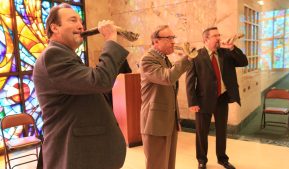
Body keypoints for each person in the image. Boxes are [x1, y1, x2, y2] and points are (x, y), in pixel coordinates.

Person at [33, 3, 128, 169]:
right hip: (75, 153)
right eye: (72, 20)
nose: (80, 25)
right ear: (55, 28)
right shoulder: (53, 55)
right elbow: (100, 81)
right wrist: (111, 40)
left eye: (80, 21)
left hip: (85, 151)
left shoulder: (66, 55)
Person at [185, 27, 248, 169]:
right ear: (206, 39)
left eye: (219, 34)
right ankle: (202, 160)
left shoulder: (225, 52)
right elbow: (189, 80)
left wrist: (232, 48)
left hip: (222, 98)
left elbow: (244, 62)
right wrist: (192, 102)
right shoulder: (196, 56)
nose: (219, 38)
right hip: (202, 100)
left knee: (221, 131)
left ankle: (222, 159)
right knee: (202, 132)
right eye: (215, 36)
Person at [139, 25, 192, 169]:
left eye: (173, 38)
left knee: (168, 164)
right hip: (155, 122)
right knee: (157, 164)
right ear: (156, 41)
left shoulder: (164, 59)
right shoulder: (148, 59)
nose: (173, 42)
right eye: (169, 38)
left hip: (167, 120)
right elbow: (167, 77)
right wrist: (186, 59)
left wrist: (176, 119)